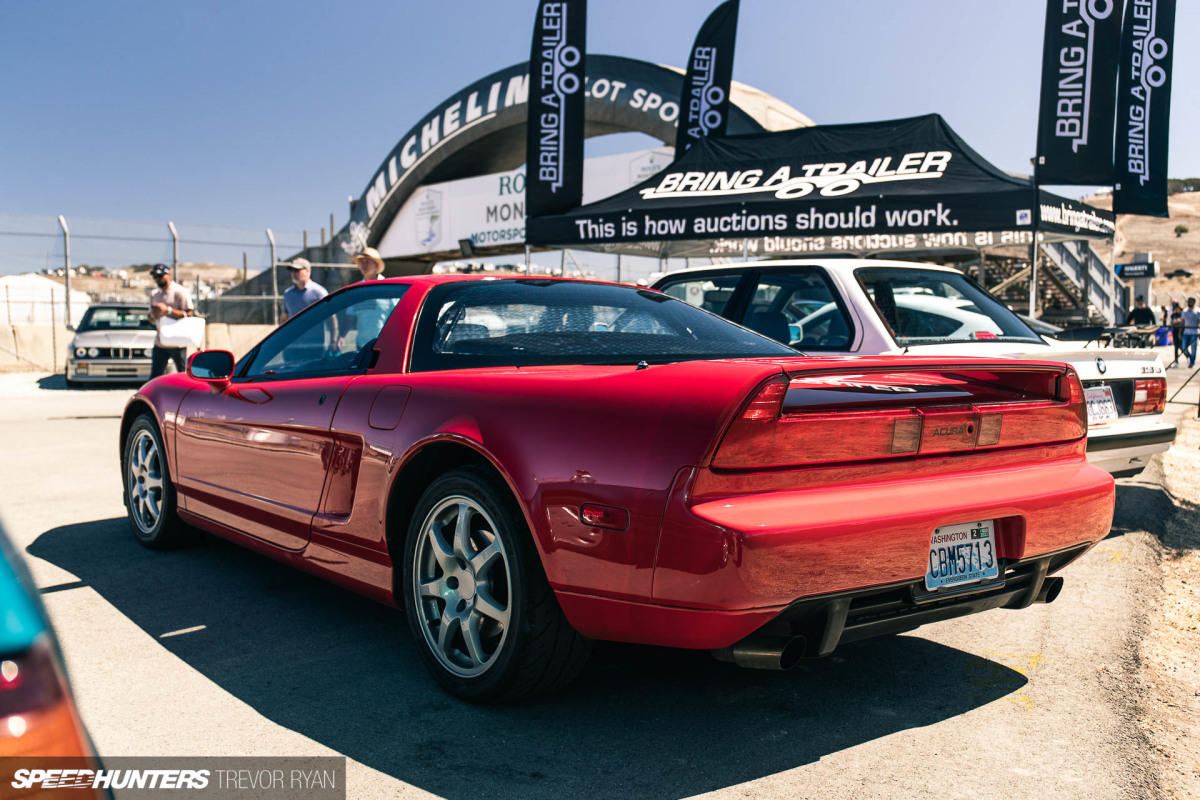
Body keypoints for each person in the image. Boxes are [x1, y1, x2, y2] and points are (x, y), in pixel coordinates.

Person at [147, 264, 195, 379]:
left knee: (183, 373)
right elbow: (150, 317)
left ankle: (185, 394)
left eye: (160, 276)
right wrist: (153, 315)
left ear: (168, 275)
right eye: (155, 276)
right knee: (155, 375)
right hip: (160, 341)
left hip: (177, 341)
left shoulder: (180, 292)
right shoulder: (155, 294)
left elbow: (189, 313)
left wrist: (168, 310)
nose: (157, 279)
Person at [280, 258, 327, 323]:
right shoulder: (288, 293)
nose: (293, 273)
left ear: (307, 271)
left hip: (315, 333)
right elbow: (284, 318)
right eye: (292, 270)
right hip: (295, 333)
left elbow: (330, 317)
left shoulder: (319, 292)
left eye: (297, 270)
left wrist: (334, 332)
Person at [1182, 297, 1200, 369]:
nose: (1190, 303)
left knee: (1194, 348)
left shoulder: (1197, 311)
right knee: (1184, 348)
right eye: (1189, 301)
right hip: (1186, 332)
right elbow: (1182, 322)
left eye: (1191, 302)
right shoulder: (1184, 311)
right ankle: (1190, 358)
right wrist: (1180, 332)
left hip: (1194, 332)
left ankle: (1192, 362)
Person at [1169, 302, 1184, 367]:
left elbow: (1182, 321)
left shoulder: (1183, 314)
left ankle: (1188, 357)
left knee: (1182, 346)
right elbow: (1172, 322)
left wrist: (1178, 321)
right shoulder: (1173, 315)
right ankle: (1176, 361)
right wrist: (1177, 321)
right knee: (1176, 347)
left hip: (1182, 331)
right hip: (1175, 331)